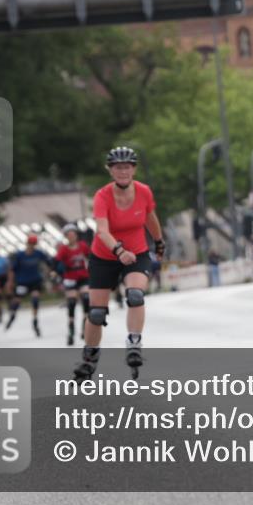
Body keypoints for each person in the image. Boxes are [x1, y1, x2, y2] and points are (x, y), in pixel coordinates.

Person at [73, 146, 165, 380]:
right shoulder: (102, 196)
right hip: (104, 256)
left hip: (137, 253)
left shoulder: (144, 192)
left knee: (135, 295)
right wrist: (118, 250)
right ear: (110, 170)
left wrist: (159, 241)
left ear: (133, 169)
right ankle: (90, 356)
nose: (122, 171)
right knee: (96, 313)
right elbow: (101, 231)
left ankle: (134, 342)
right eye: (117, 167)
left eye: (127, 167)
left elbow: (150, 217)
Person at [6, 234, 53, 336]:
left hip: (35, 281)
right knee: (17, 301)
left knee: (35, 298)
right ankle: (12, 315)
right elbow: (12, 270)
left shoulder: (38, 253)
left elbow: (49, 262)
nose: (31, 246)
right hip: (22, 281)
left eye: (33, 244)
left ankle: (35, 321)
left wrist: (49, 272)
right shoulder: (20, 255)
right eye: (30, 243)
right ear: (27, 243)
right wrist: (10, 282)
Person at [55, 223, 90, 346]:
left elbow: (90, 257)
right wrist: (54, 272)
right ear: (66, 236)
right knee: (71, 303)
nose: (71, 237)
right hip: (70, 277)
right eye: (68, 235)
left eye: (73, 234)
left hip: (83, 276)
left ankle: (84, 328)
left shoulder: (83, 246)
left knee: (86, 299)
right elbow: (56, 261)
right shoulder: (63, 249)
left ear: (76, 235)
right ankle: (71, 331)